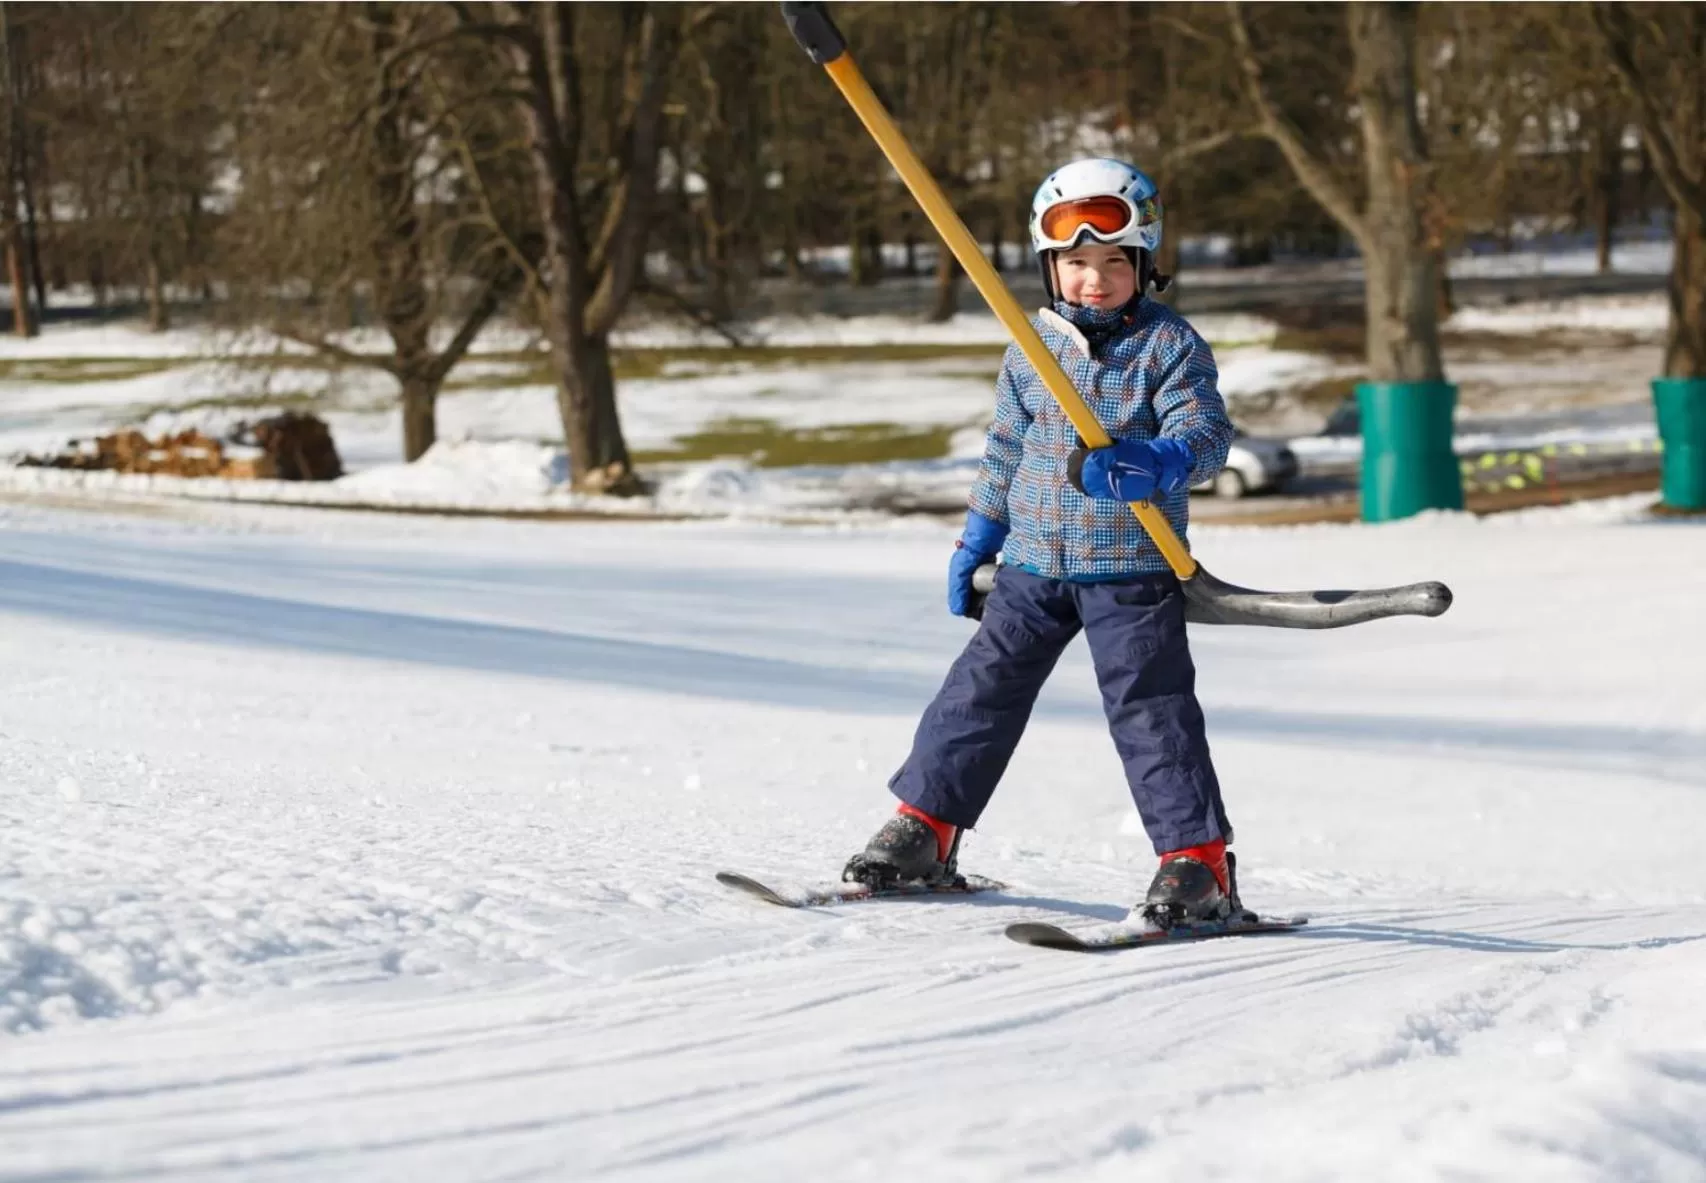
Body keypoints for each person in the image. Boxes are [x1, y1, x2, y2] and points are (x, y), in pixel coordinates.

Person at [843, 157, 1242, 925]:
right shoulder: (1031, 344)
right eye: (1076, 263)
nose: (1094, 280)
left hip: (1131, 564)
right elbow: (1005, 448)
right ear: (1049, 265)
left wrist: (1162, 457)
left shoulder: (1169, 346)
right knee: (976, 694)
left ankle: (1197, 863)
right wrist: (980, 535)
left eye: (1113, 264)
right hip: (1032, 562)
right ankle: (926, 826)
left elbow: (1207, 433)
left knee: (1150, 711)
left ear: (1144, 263)